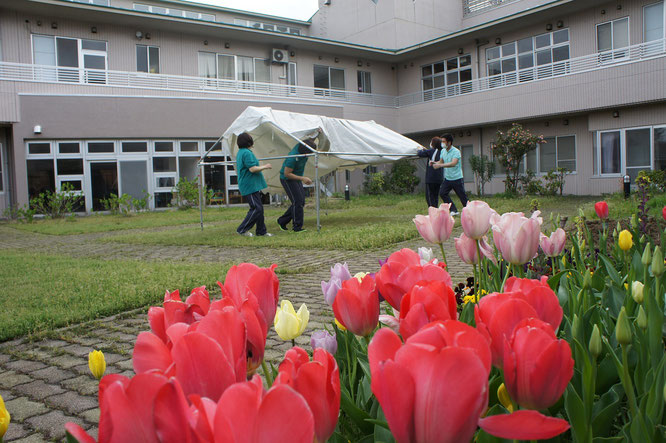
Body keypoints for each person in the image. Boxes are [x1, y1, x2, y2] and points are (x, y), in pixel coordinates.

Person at [236, 132, 273, 237]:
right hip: (249, 185)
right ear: (249, 141)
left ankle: (261, 231)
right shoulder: (246, 153)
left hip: (251, 185)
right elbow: (252, 169)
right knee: (256, 208)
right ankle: (242, 229)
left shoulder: (242, 152)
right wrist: (265, 166)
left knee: (259, 208)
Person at [277, 138, 316, 232]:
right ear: (304, 152)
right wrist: (303, 178)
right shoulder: (293, 157)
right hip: (287, 179)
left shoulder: (303, 145)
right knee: (297, 201)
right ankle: (297, 227)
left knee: (301, 202)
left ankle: (282, 220)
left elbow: (309, 141)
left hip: (296, 177)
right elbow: (287, 174)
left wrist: (317, 133)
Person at [432, 133, 468, 216]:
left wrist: (440, 165)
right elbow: (441, 161)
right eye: (442, 141)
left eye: (444, 141)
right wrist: (434, 163)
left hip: (457, 178)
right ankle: (454, 210)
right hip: (448, 179)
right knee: (442, 193)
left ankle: (470, 212)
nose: (442, 143)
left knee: (462, 197)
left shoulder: (456, 151)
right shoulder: (443, 151)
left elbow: (453, 163)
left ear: (449, 142)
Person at [416, 136, 443, 207]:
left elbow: (420, 153)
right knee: (436, 196)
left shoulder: (431, 151)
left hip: (431, 178)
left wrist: (420, 149)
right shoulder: (442, 152)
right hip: (439, 178)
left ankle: (432, 211)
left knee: (430, 196)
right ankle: (436, 210)